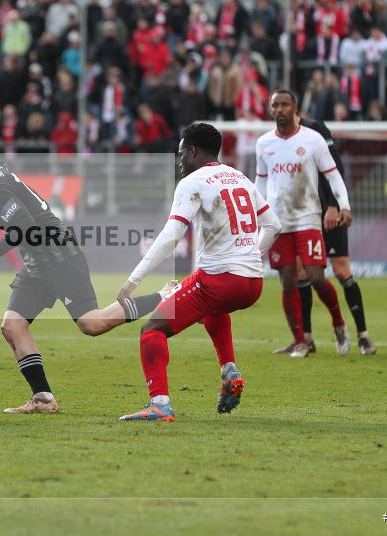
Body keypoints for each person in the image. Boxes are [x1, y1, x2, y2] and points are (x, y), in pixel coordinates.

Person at [0, 141, 168, 414]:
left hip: (60, 256)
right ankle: (43, 399)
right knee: (12, 326)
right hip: (36, 262)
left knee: (92, 324)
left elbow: (25, 228)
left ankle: (165, 298)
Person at [116, 124, 281, 421]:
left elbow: (171, 236)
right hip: (253, 283)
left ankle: (159, 404)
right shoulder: (239, 177)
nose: (179, 160)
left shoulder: (194, 181)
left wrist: (133, 280)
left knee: (151, 331)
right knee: (211, 309)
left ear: (192, 151)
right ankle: (229, 370)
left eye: (181, 153)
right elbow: (273, 225)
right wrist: (251, 257)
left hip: (219, 281)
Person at [256, 90, 352, 358]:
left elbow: (333, 175)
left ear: (295, 107)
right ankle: (300, 340)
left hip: (308, 217)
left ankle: (339, 323)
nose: (280, 109)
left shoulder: (313, 139)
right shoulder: (264, 143)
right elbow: (261, 183)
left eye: (285, 104)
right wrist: (255, 214)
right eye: (275, 105)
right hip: (278, 221)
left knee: (316, 277)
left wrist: (344, 205)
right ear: (270, 109)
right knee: (287, 281)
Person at [293, 117, 376, 355]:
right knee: (301, 271)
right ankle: (306, 338)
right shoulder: (277, 139)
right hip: (305, 214)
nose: (279, 111)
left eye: (283, 105)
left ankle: (363, 335)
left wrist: (334, 204)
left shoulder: (315, 128)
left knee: (341, 269)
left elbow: (335, 166)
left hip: (329, 210)